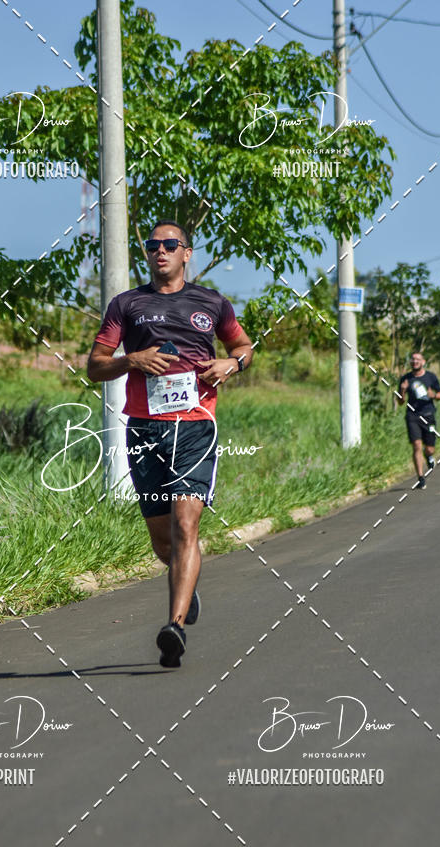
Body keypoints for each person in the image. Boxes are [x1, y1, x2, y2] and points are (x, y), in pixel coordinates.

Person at [87, 220, 253, 667]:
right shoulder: (127, 304)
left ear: (186, 253)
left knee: (185, 526)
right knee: (164, 542)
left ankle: (174, 627)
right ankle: (186, 583)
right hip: (144, 428)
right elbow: (95, 366)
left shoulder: (212, 302)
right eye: (152, 245)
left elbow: (243, 346)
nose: (160, 250)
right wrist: (131, 359)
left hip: (195, 427)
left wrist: (232, 364)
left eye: (170, 244)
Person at [397, 351, 440, 489]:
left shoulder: (430, 377)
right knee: (416, 445)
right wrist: (403, 390)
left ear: (423, 362)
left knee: (430, 449)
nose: (415, 361)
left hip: (428, 415)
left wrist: (433, 395)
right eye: (413, 359)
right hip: (412, 416)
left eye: (418, 359)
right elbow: (400, 402)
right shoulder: (406, 379)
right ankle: (421, 478)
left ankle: (428, 456)